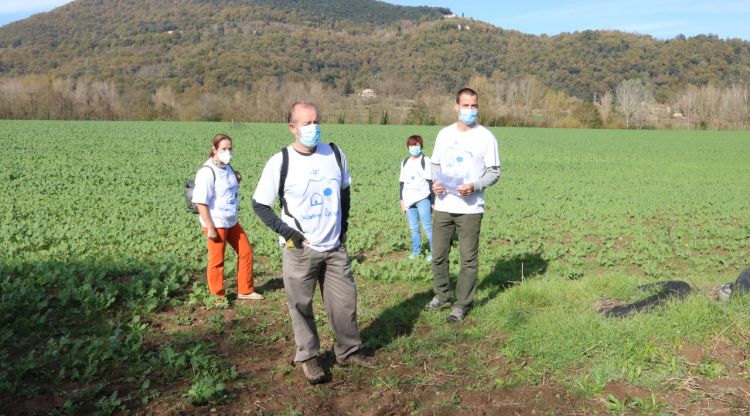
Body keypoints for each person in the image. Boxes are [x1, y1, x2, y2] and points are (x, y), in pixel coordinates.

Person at [252, 100, 375, 384]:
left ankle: (349, 351)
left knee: (345, 303)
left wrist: (342, 228)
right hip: (300, 250)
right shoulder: (280, 161)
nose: (313, 127)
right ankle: (308, 357)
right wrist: (290, 234)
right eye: (307, 123)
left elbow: (345, 190)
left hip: (334, 247)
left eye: (316, 121)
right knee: (301, 306)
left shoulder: (333, 153)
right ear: (292, 128)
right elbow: (260, 205)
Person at [426, 88, 501, 323]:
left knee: (468, 259)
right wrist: (435, 184)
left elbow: (494, 172)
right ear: (456, 107)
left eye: (474, 106)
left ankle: (461, 304)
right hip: (443, 205)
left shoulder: (486, 137)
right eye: (466, 106)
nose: (470, 110)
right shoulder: (444, 135)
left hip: (470, 209)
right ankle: (441, 295)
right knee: (438, 255)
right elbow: (435, 165)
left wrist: (475, 185)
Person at [192, 133, 264, 306]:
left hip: (230, 220)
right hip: (215, 222)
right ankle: (217, 297)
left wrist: (237, 178)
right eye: (224, 149)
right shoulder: (207, 172)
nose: (228, 152)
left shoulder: (227, 167)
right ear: (214, 149)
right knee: (217, 260)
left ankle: (245, 290)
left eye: (230, 148)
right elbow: (200, 202)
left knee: (246, 251)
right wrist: (210, 227)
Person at [399, 135, 434, 261]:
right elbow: (402, 183)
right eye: (412, 145)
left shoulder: (426, 160)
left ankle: (434, 253)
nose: (414, 147)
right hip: (408, 199)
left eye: (417, 145)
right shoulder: (405, 162)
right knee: (414, 228)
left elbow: (430, 182)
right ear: (408, 147)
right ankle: (416, 251)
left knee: (427, 227)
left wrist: (433, 201)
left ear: (421, 146)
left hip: (423, 198)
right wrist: (401, 201)